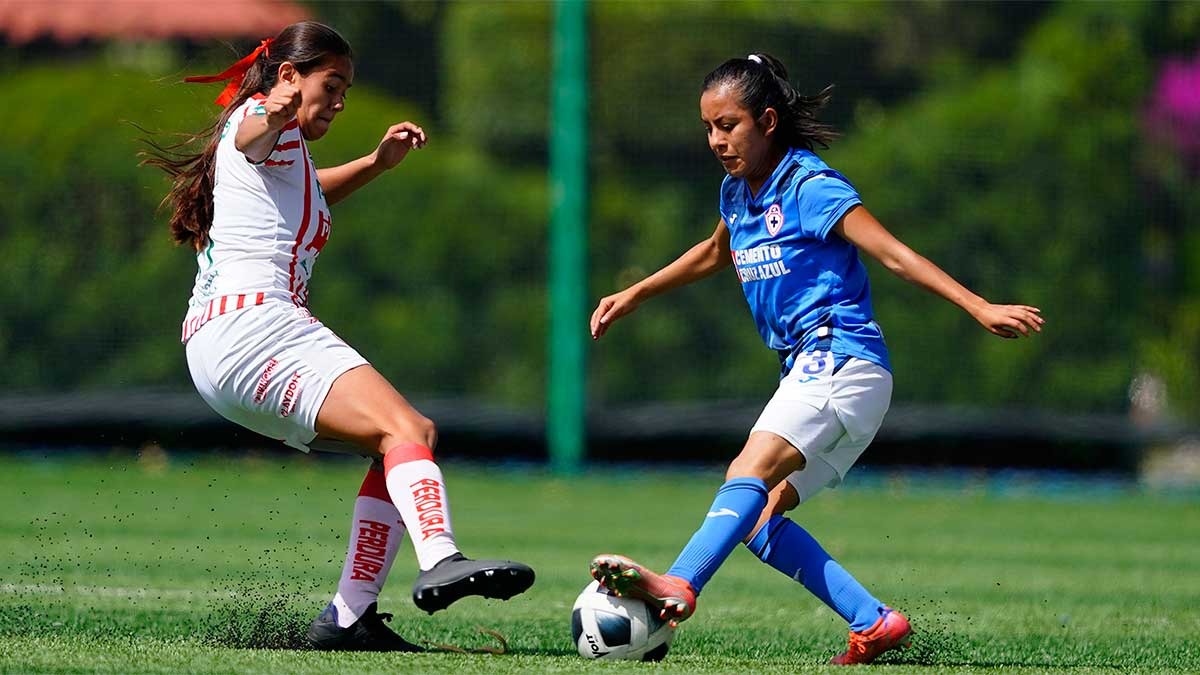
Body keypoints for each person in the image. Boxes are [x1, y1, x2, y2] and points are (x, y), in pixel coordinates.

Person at [587, 53, 1043, 666]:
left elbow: (893, 253)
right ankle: (875, 621)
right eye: (708, 128)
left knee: (744, 472)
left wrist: (978, 305)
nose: (716, 141)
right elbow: (715, 253)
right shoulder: (737, 192)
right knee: (757, 521)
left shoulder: (810, 185)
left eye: (729, 125)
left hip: (837, 358)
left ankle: (679, 582)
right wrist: (636, 292)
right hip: (835, 377)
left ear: (767, 120)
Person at [141, 21, 534, 652]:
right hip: (256, 327)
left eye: (346, 86)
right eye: (333, 83)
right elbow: (249, 134)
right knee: (407, 429)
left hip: (226, 344)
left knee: (403, 441)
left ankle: (350, 617)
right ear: (291, 76)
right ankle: (440, 559)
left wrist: (378, 163)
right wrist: (273, 107)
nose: (342, 99)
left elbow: (307, 193)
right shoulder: (261, 121)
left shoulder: (289, 153)